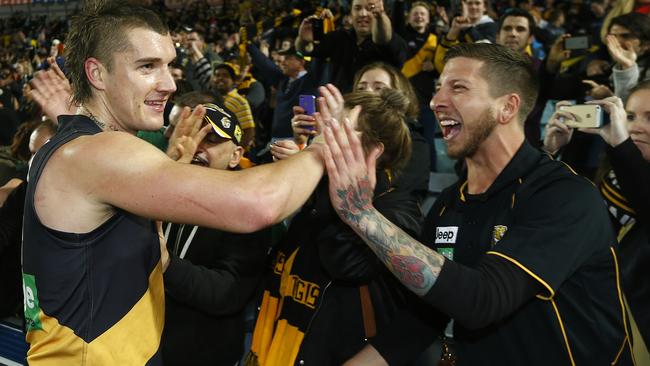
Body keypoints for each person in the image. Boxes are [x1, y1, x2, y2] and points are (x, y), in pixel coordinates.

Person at [22, 2, 327, 365]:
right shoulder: (97, 153)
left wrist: (175, 163)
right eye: (147, 66)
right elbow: (259, 203)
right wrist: (324, 147)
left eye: (168, 64)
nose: (168, 84)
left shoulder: (79, 148)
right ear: (97, 74)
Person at [321, 43, 635, 364]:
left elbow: (483, 300)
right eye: (438, 88)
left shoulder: (565, 196)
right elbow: (422, 320)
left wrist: (362, 215)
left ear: (507, 108)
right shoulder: (447, 205)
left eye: (458, 88)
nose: (435, 101)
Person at [247, 87, 424, 366]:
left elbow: (346, 264)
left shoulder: (396, 210)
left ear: (374, 151)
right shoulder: (319, 188)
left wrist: (332, 187)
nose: (325, 137)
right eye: (326, 126)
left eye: (338, 128)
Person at [160, 101, 272, 365]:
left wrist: (165, 264)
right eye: (191, 134)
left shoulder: (247, 212)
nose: (196, 146)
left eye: (210, 139)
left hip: (202, 354)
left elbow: (227, 292)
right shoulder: (162, 189)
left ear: (235, 156)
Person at [543, 81, 650, 356]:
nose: (636, 126)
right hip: (590, 317)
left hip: (634, 334)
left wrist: (621, 145)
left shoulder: (624, 160)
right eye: (629, 116)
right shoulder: (615, 168)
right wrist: (551, 154)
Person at [295, 0, 407, 93]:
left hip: (376, 112)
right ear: (351, 13)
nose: (363, 14)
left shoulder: (394, 43)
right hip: (341, 111)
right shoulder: (340, 37)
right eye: (357, 8)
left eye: (370, 9)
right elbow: (306, 50)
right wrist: (303, 40)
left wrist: (380, 16)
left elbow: (383, 39)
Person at [212, 62, 256, 148]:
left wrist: (234, 151)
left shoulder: (239, 101)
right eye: (217, 75)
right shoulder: (211, 98)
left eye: (225, 76)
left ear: (233, 81)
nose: (220, 78)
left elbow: (249, 131)